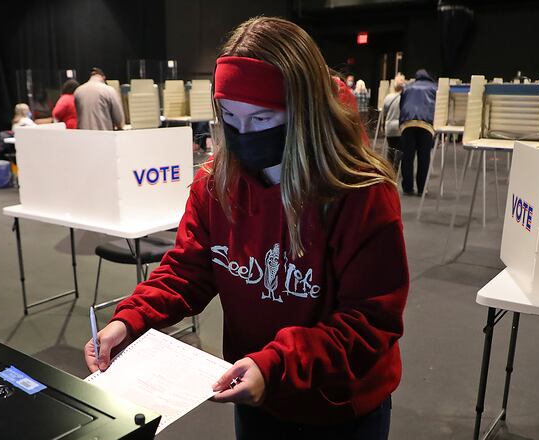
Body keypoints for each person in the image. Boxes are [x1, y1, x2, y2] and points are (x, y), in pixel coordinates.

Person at [84, 16, 408, 440]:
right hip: (257, 393)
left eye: (260, 119)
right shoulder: (217, 182)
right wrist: (130, 321)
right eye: (231, 117)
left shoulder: (358, 193)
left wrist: (276, 365)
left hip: (339, 409)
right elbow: (188, 270)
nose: (242, 133)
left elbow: (369, 322)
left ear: (303, 111)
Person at [398, 69, 437, 195]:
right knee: (424, 157)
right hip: (426, 125)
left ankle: (407, 187)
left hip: (407, 123)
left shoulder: (408, 87)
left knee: (407, 157)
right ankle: (421, 188)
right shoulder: (434, 88)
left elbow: (401, 105)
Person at [382, 74, 405, 171]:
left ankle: (389, 170)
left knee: (390, 149)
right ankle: (395, 171)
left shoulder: (388, 97)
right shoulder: (405, 98)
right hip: (400, 128)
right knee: (399, 151)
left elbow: (384, 113)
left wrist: (383, 126)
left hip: (389, 127)